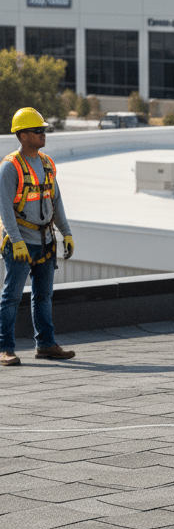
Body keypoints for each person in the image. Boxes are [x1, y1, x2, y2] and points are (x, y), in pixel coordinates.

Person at [1, 107, 76, 366]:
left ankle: (45, 344)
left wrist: (66, 233)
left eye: (43, 130)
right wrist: (17, 241)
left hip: (45, 242)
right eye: (37, 130)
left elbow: (56, 200)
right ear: (22, 136)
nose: (43, 134)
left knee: (43, 296)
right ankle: (5, 348)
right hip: (20, 243)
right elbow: (4, 209)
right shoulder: (10, 167)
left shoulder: (46, 163)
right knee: (11, 296)